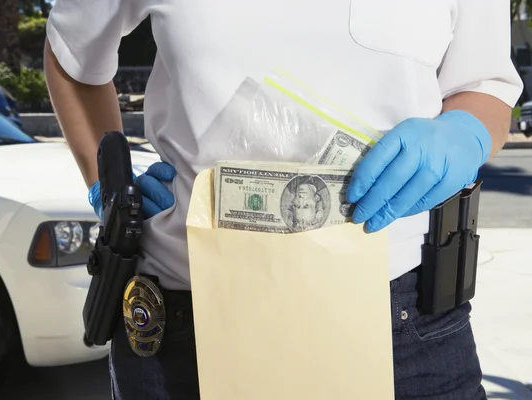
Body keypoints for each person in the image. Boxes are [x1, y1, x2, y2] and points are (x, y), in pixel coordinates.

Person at [43, 1, 523, 399]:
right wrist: (110, 188)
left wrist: (463, 132)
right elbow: (71, 57)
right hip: (187, 322)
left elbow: (483, 85)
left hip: (402, 324)